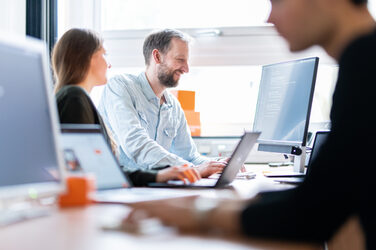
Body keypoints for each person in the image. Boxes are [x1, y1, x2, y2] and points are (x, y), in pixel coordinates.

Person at [126, 0, 376, 248]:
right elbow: (325, 197)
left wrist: (201, 213)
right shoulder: (362, 57)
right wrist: (230, 204)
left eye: (277, 2)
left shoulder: (366, 63)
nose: (269, 18)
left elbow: (314, 212)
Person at [52, 28, 200, 186]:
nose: (109, 64)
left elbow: (103, 171)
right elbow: (95, 171)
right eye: (104, 54)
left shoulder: (78, 99)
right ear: (88, 58)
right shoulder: (74, 97)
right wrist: (159, 176)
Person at [98, 29, 227, 177]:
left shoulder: (173, 106)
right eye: (180, 60)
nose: (186, 69)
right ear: (157, 56)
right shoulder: (120, 87)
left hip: (156, 187)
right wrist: (191, 169)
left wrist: (219, 165)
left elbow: (190, 156)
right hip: (124, 186)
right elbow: (136, 145)